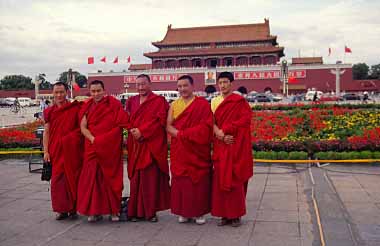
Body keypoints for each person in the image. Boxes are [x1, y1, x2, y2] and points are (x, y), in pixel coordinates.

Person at [77, 80, 129, 222]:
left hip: (110, 147)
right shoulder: (87, 106)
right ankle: (95, 211)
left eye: (98, 90)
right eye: (93, 91)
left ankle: (114, 210)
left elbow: (121, 124)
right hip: (93, 146)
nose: (96, 94)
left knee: (110, 179)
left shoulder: (113, 104)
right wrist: (94, 139)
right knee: (92, 179)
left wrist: (106, 140)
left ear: (104, 90)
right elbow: (83, 127)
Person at [167, 75, 213, 225]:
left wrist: (186, 134)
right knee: (181, 181)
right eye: (179, 86)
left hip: (197, 148)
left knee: (198, 181)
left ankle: (199, 212)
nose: (182, 89)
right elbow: (168, 126)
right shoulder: (174, 105)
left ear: (192, 86)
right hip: (180, 148)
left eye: (185, 85)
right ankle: (184, 212)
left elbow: (207, 126)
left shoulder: (202, 104)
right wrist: (181, 135)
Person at [125, 74, 170, 222]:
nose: (140, 87)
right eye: (138, 85)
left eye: (143, 84)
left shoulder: (159, 101)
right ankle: (135, 212)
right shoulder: (132, 101)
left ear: (150, 84)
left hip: (151, 145)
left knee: (150, 180)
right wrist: (132, 130)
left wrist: (143, 132)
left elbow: (160, 122)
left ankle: (150, 212)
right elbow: (128, 119)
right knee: (136, 180)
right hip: (136, 145)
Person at [211, 71, 253, 227]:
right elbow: (211, 122)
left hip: (236, 145)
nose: (222, 85)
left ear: (231, 83)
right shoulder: (215, 102)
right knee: (221, 179)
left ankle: (236, 215)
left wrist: (228, 129)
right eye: (220, 83)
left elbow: (245, 120)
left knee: (235, 179)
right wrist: (221, 135)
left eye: (225, 82)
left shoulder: (239, 101)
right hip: (221, 144)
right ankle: (224, 214)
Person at [43, 82, 83, 220]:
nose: (59, 95)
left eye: (61, 92)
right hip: (55, 151)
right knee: (57, 182)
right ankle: (61, 210)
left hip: (71, 151)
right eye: (56, 92)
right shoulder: (49, 111)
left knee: (73, 179)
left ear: (66, 92)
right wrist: (46, 151)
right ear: (53, 93)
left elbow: (81, 129)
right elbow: (46, 132)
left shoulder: (75, 108)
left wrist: (69, 138)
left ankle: (72, 209)